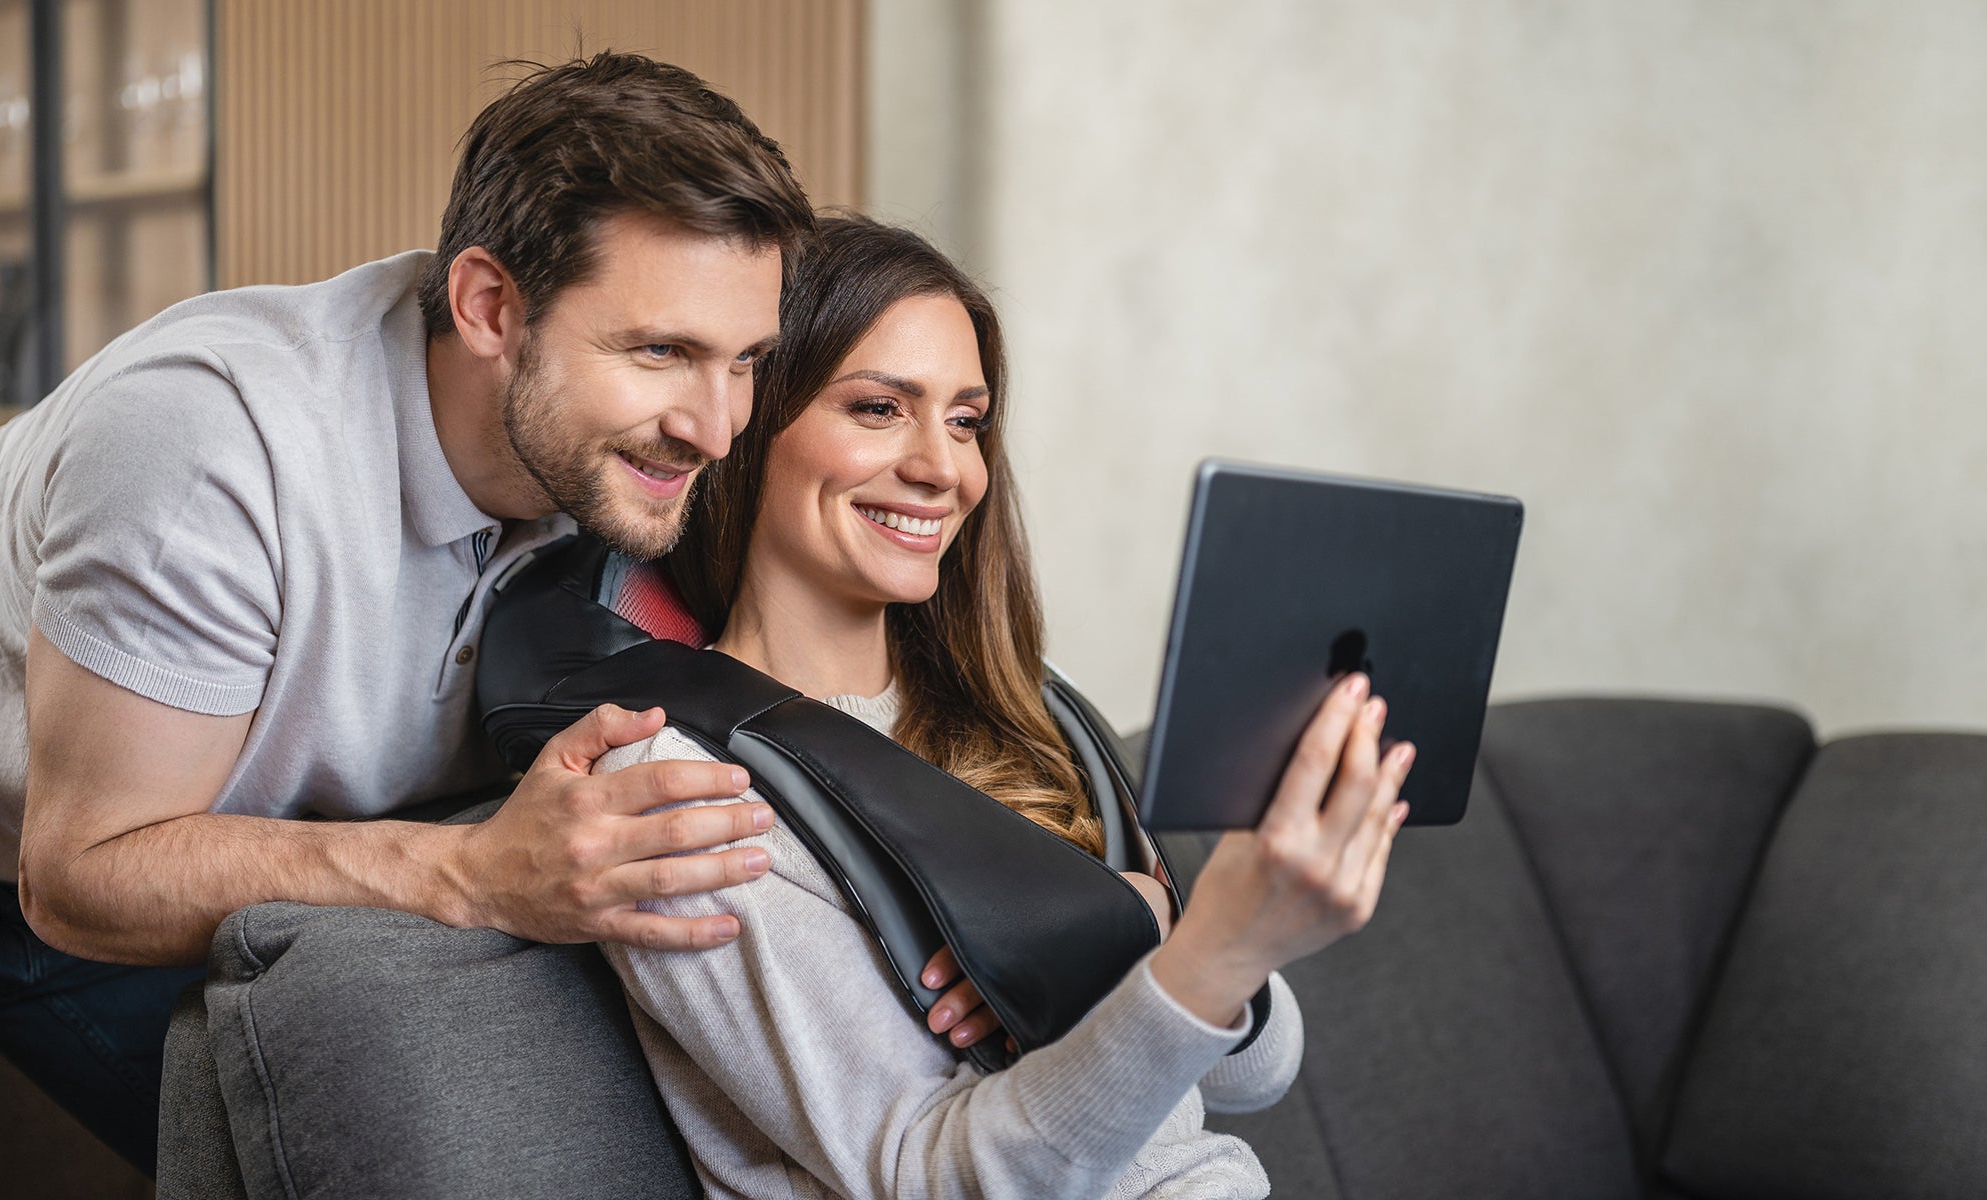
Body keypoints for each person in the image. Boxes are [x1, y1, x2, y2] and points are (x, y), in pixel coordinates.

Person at [0, 54, 821, 1192]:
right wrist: (472, 873)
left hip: (172, 838)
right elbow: (79, 876)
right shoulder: (211, 450)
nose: (714, 425)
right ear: (489, 307)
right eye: (660, 352)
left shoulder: (613, 462)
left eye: (743, 361)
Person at [595, 215, 1416, 1198]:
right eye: (878, 409)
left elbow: (1252, 1073)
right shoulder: (677, 793)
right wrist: (1202, 949)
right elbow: (940, 1179)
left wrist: (1144, 932)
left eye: (965, 419)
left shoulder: (1028, 704)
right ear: (748, 422)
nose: (945, 469)